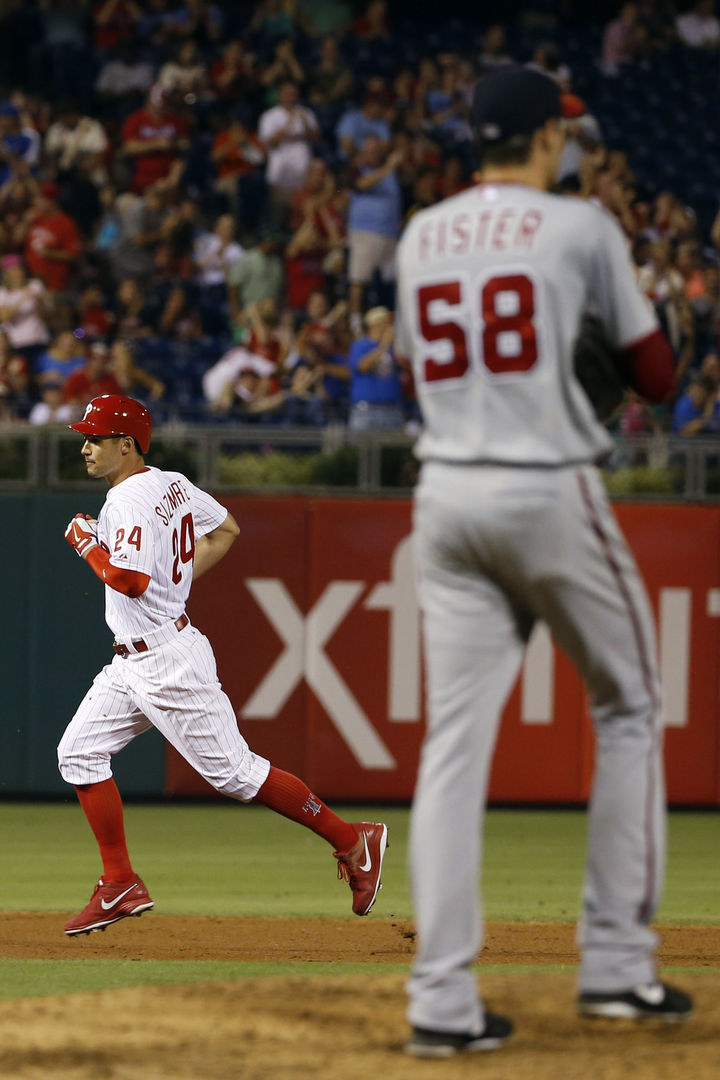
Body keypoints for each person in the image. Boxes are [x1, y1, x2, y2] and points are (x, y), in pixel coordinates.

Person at [394, 65, 691, 1058]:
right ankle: (615, 966)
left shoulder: (420, 234)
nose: (569, 142)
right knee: (633, 704)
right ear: (545, 139)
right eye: (562, 130)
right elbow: (655, 375)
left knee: (449, 748)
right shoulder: (580, 227)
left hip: (445, 501)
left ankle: (440, 1001)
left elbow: (412, 373)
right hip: (546, 485)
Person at [59, 394, 388, 936]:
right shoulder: (172, 483)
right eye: (85, 438)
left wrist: (86, 545)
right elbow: (227, 529)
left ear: (127, 444)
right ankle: (119, 881)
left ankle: (354, 842)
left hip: (165, 661)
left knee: (236, 774)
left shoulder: (128, 501)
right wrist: (175, 585)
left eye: (96, 439)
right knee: (79, 753)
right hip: (137, 655)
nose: (87, 448)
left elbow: (130, 581)